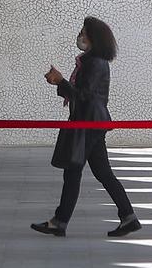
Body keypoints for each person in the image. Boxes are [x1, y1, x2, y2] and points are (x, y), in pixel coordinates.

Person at [31, 16, 139, 238]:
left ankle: (60, 222)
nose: (80, 36)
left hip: (88, 123)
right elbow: (82, 93)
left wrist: (61, 81)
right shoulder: (93, 61)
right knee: (102, 173)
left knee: (74, 172)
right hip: (91, 123)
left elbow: (84, 95)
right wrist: (59, 82)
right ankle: (128, 217)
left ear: (94, 38)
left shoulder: (94, 62)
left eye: (84, 32)